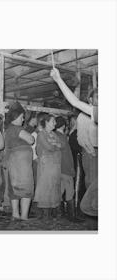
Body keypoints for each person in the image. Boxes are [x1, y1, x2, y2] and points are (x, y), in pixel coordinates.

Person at [50, 68, 98, 217]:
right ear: (91, 101)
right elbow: (75, 102)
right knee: (93, 185)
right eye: (98, 97)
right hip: (92, 152)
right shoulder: (87, 115)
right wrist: (58, 79)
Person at [4, 101, 35, 221]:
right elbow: (31, 139)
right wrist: (29, 135)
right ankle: (24, 216)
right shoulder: (16, 128)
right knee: (26, 188)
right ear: (16, 117)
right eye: (22, 117)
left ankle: (15, 215)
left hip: (14, 163)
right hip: (21, 164)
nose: (23, 120)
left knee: (14, 189)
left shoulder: (9, 129)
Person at [34, 114, 62, 220]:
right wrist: (55, 145)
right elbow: (49, 147)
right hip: (46, 165)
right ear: (46, 122)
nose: (55, 123)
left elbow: (61, 145)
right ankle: (44, 213)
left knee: (54, 187)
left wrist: (55, 145)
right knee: (45, 187)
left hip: (55, 165)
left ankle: (52, 212)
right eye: (53, 121)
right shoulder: (41, 134)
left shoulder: (55, 134)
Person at [55, 116, 82, 222]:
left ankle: (59, 214)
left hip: (60, 168)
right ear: (63, 125)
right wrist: (71, 169)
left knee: (60, 191)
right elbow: (67, 155)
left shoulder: (57, 135)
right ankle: (71, 216)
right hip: (66, 169)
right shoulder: (62, 137)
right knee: (70, 192)